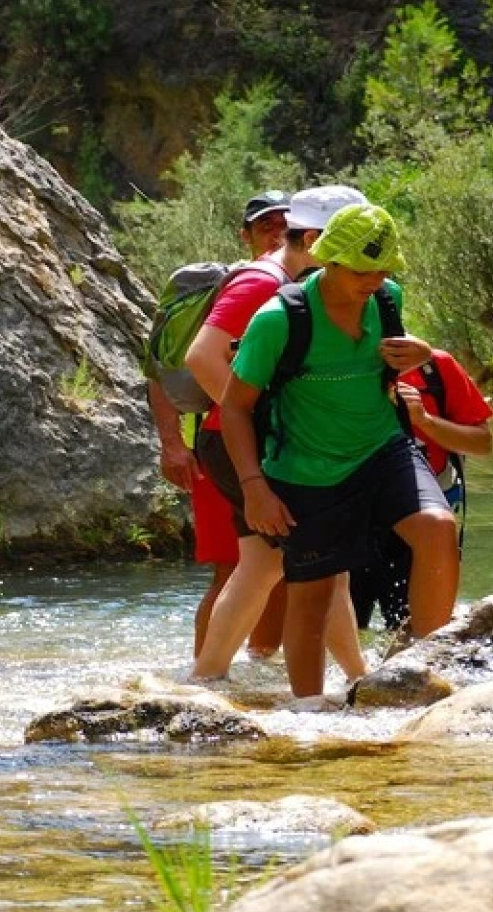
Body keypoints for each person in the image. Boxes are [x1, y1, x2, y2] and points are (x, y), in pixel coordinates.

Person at [219, 202, 457, 702]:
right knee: (314, 594)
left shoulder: (388, 299)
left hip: (383, 448)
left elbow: (395, 366)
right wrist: (254, 487)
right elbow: (236, 407)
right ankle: (307, 711)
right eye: (363, 269)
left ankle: (418, 664)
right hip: (307, 469)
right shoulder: (279, 320)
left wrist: (422, 355)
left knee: (437, 529)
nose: (376, 279)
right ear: (329, 260)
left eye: (384, 268)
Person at [188, 186, 373, 688]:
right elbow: (201, 356)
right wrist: (256, 427)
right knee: (312, 565)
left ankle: (207, 679)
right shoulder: (261, 284)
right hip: (243, 444)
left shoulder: (293, 280)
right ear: (313, 237)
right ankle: (359, 678)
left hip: (245, 443)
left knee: (269, 567)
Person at [147, 191, 290, 660]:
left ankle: (260, 666)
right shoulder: (231, 288)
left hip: (273, 445)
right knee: (233, 566)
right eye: (265, 223)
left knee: (285, 566)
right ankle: (206, 672)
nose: (276, 230)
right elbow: (163, 369)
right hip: (220, 442)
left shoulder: (296, 287)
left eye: (284, 222)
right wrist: (171, 444)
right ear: (245, 234)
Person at [352, 350, 493, 630]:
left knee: (414, 631)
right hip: (350, 517)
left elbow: (482, 443)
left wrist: (424, 420)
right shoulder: (331, 364)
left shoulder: (435, 366)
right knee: (345, 632)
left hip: (422, 522)